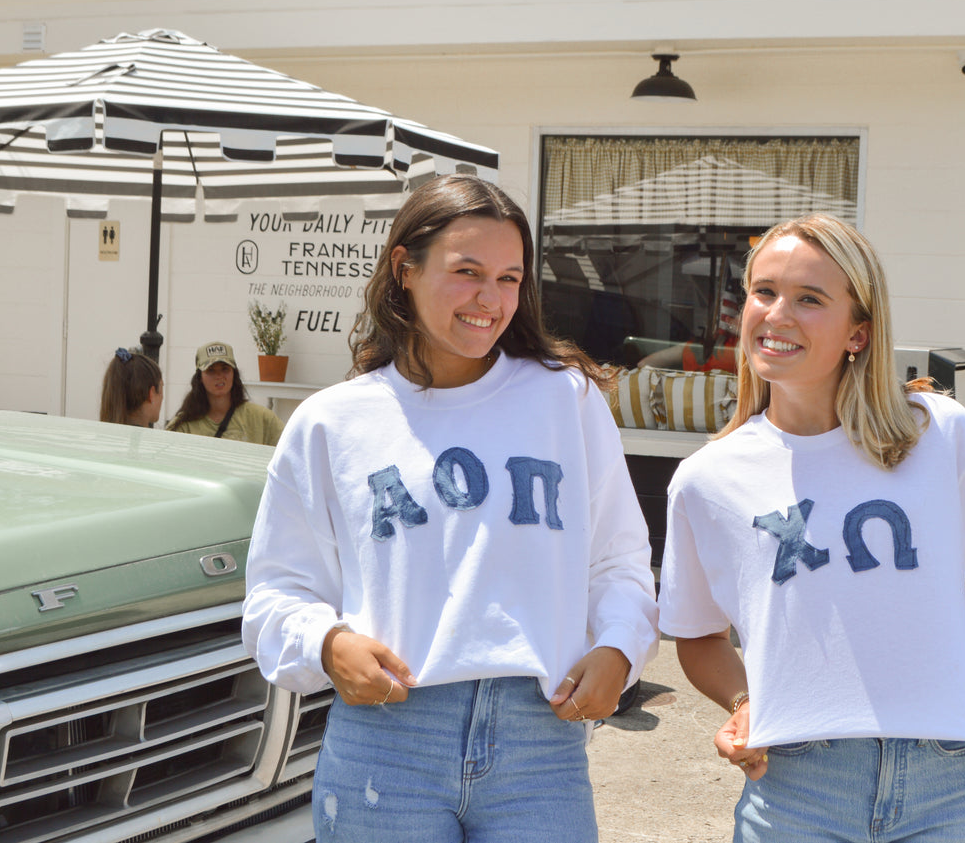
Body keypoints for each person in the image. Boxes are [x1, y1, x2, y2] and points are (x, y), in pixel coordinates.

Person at [241, 175, 659, 843]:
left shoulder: (566, 401)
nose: (488, 299)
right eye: (466, 272)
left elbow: (618, 561)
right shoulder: (331, 423)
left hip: (539, 740)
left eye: (508, 278)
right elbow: (273, 594)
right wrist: (327, 643)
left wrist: (617, 648)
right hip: (387, 740)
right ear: (403, 268)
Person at [660, 213, 965, 843]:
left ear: (858, 333)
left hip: (952, 781)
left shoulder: (938, 433)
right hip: (796, 788)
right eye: (764, 291)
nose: (777, 313)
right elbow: (698, 638)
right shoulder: (707, 478)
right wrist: (741, 703)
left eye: (809, 299)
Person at [165, 342, 283, 445]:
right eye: (211, 370)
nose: (219, 376)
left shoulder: (263, 419)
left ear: (234, 374)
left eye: (225, 369)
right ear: (200, 377)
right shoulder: (183, 425)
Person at [99, 346, 163, 427]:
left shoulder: (103, 435)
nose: (162, 397)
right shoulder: (148, 439)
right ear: (151, 394)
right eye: (161, 390)